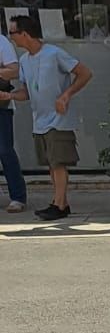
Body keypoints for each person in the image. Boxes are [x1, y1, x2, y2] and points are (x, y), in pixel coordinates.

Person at [0, 14, 91, 220]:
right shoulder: (24, 60)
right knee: (51, 163)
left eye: (13, 32)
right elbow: (26, 91)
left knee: (58, 163)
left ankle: (58, 205)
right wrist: (10, 95)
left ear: (25, 34)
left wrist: (66, 95)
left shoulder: (54, 53)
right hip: (39, 120)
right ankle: (60, 202)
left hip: (58, 118)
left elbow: (84, 73)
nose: (11, 37)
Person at [0, 19, 27, 212]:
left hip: (1, 105)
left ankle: (18, 196)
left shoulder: (2, 42)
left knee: (5, 150)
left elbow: (15, 70)